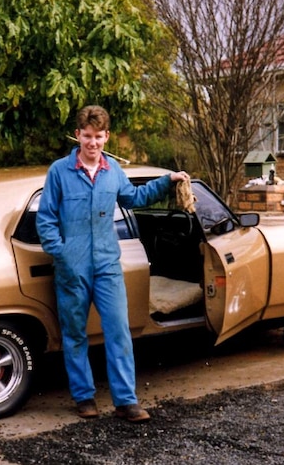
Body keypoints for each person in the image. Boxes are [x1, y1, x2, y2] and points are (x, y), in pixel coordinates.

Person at [36, 105, 189, 423]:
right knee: (75, 333)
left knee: (118, 330)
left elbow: (134, 197)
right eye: (87, 136)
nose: (93, 143)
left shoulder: (113, 171)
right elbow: (46, 219)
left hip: (107, 265)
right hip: (71, 268)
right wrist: (61, 255)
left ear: (106, 137)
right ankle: (84, 397)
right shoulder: (59, 172)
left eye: (99, 136)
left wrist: (167, 180)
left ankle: (125, 401)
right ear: (78, 135)